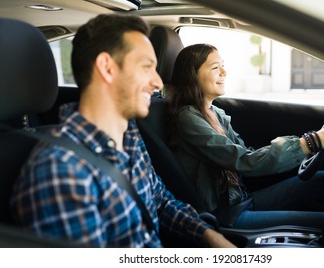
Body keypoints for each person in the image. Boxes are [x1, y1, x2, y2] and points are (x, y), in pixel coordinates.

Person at [10, 15, 235, 248]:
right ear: (107, 68)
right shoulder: (61, 171)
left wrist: (211, 237)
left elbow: (160, 202)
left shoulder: (130, 137)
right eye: (146, 67)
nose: (158, 82)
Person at [166, 43, 324, 229]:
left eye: (223, 65)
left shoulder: (214, 112)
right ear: (192, 75)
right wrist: (312, 142)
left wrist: (302, 146)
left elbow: (247, 153)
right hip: (226, 214)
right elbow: (244, 160)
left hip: (241, 199)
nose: (224, 72)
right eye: (215, 68)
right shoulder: (188, 118)